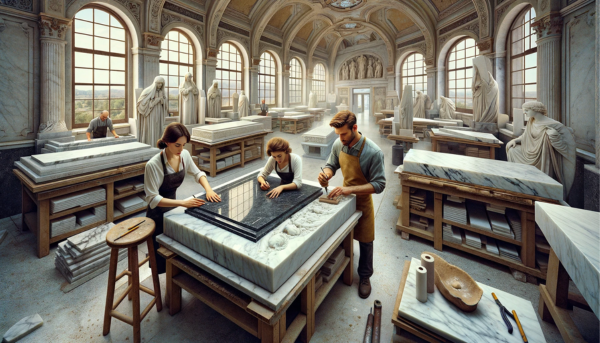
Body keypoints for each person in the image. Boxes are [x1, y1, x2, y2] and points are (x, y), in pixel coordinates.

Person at [318, 111, 386, 299]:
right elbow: (331, 164)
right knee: (341, 235)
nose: (340, 138)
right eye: (337, 134)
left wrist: (350, 189)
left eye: (343, 134)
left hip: (362, 201)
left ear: (355, 128)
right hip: (345, 198)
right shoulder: (339, 143)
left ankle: (364, 276)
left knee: (365, 240)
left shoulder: (373, 152)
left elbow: (380, 184)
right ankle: (342, 264)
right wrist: (326, 174)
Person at [144, 123, 221, 274]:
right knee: (161, 261)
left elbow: (198, 173)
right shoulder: (153, 165)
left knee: (179, 253)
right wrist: (183, 203)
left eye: (184, 145)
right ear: (166, 142)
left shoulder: (184, 155)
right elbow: (153, 199)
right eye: (177, 145)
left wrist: (209, 190)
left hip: (174, 210)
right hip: (157, 215)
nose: (181, 149)